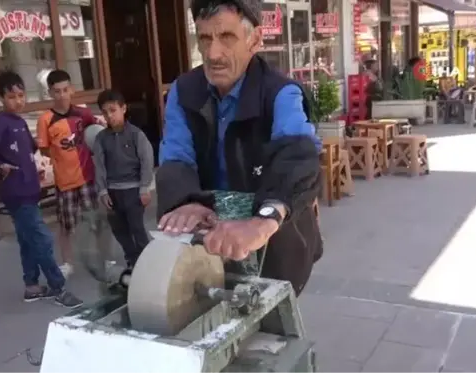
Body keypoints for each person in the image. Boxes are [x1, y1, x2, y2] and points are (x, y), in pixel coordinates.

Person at [156, 0, 323, 296]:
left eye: (227, 38)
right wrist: (186, 201)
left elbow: (298, 155)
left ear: (255, 39)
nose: (212, 54)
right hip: (209, 236)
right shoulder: (183, 91)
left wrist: (263, 221)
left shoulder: (280, 93)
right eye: (204, 38)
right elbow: (176, 154)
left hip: (273, 238)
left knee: (271, 326)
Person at [0, 71, 83, 308]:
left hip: (28, 190)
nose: (18, 101)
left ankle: (32, 286)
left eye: (21, 95)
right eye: (11, 97)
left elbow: (29, 147)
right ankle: (58, 288)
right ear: (1, 98)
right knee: (42, 239)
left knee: (28, 240)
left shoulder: (18, 122)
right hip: (17, 193)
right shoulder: (1, 123)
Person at [36, 69, 101, 278]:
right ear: (50, 93)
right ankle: (67, 263)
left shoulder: (84, 114)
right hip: (65, 182)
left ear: (71, 89)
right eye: (57, 91)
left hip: (88, 178)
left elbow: (96, 135)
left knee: (96, 221)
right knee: (66, 226)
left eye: (65, 90)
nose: (62, 95)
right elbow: (45, 148)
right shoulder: (45, 120)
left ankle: (103, 259)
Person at [93, 90, 155, 268]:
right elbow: (99, 165)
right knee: (119, 229)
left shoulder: (136, 135)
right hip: (113, 191)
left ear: (124, 109)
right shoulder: (101, 138)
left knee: (136, 227)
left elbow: (146, 160)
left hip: (133, 190)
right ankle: (132, 258)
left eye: (113, 110)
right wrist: (103, 191)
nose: (109, 116)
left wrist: (144, 188)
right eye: (105, 112)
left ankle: (146, 260)